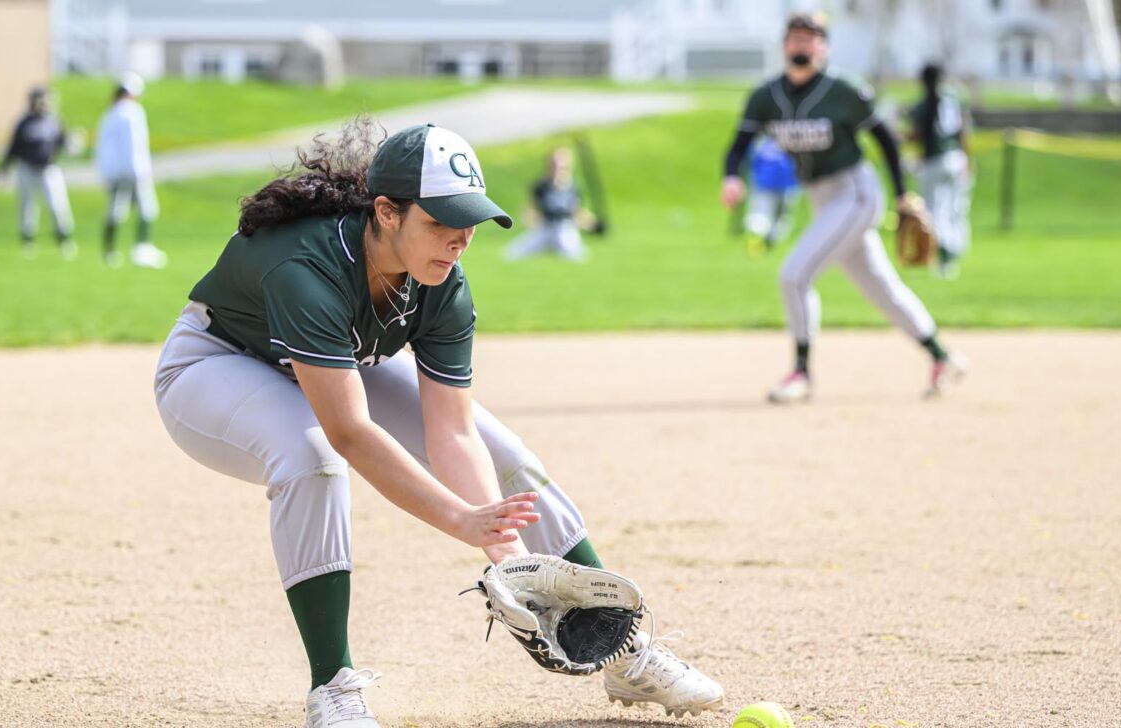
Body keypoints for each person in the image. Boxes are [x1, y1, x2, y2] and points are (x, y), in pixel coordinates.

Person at [152, 120, 722, 727]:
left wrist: (510, 562)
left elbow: (453, 433)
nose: (459, 240)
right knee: (312, 457)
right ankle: (333, 688)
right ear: (386, 212)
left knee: (505, 454)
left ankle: (625, 651)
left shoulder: (441, 280)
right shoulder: (307, 266)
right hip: (215, 366)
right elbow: (349, 433)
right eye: (440, 222)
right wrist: (461, 520)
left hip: (333, 362)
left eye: (469, 222)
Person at [720, 12, 968, 402]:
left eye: (810, 38)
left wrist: (901, 194)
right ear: (784, 45)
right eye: (795, 37)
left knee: (794, 276)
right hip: (821, 199)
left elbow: (885, 139)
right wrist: (732, 177)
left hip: (855, 192)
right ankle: (942, 357)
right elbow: (738, 145)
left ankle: (801, 372)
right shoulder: (767, 96)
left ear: (824, 47)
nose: (802, 44)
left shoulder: (843, 91)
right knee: (880, 287)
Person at [907, 63, 974, 279]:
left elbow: (920, 134)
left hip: (935, 161)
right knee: (955, 208)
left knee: (935, 210)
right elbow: (962, 131)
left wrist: (899, 137)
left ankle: (944, 256)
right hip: (956, 158)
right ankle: (955, 250)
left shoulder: (926, 103)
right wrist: (968, 159)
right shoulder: (952, 99)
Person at [94, 72, 167, 269]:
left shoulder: (109, 113)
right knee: (147, 208)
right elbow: (134, 144)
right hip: (133, 169)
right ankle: (142, 248)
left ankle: (109, 250)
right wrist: (141, 170)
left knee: (116, 210)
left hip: (114, 171)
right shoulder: (132, 112)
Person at [0, 86, 76, 260]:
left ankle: (64, 239)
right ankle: (28, 241)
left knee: (57, 205)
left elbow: (64, 142)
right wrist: (4, 168)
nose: (45, 105)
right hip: (27, 169)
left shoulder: (55, 121)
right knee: (27, 208)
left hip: (49, 169)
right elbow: (13, 148)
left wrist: (71, 143)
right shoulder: (24, 123)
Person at [504, 147, 598, 262]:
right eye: (554, 165)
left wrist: (593, 224)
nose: (558, 169)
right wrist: (532, 222)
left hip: (565, 227)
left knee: (574, 256)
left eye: (562, 166)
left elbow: (577, 211)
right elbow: (530, 208)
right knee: (512, 253)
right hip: (545, 227)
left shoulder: (574, 187)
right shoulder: (541, 186)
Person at [743, 136, 799, 255]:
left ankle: (768, 240)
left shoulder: (790, 140)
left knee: (781, 215)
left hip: (783, 184)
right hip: (771, 184)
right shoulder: (762, 142)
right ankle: (757, 240)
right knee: (764, 214)